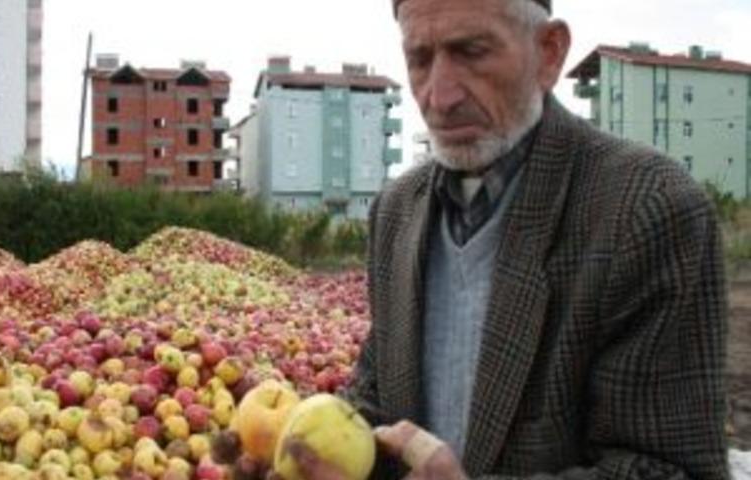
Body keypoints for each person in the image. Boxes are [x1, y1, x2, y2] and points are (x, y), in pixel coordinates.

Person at [286, 0, 730, 478]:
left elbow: (670, 469)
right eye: (419, 59)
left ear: (549, 53)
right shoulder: (396, 211)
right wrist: (318, 451)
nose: (440, 95)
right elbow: (378, 396)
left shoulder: (648, 209)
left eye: (472, 52)